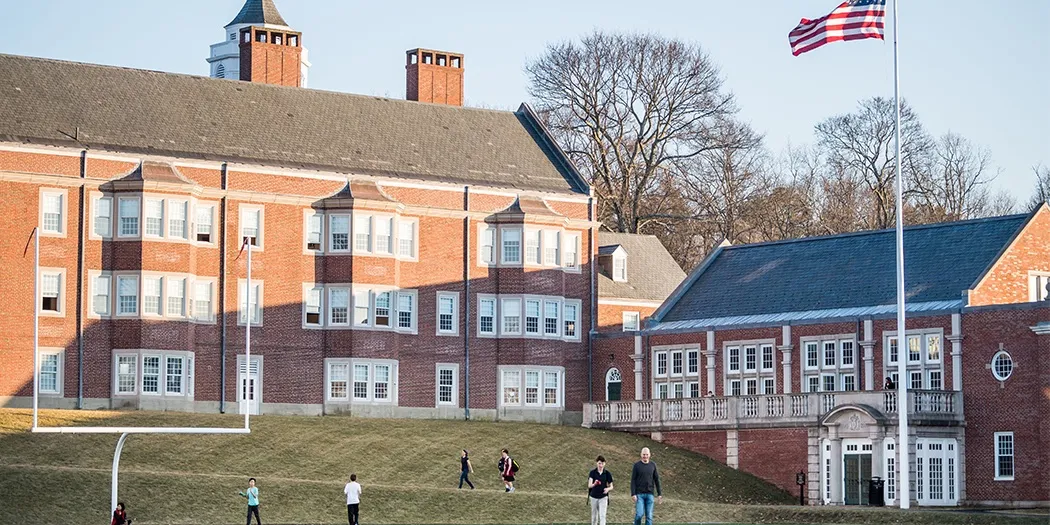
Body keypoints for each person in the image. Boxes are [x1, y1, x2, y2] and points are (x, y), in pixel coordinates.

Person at [630, 447, 661, 525]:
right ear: (641, 455)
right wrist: (633, 493)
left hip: (650, 494)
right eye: (644, 454)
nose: (645, 456)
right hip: (639, 494)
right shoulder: (637, 465)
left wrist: (659, 494)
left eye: (647, 454)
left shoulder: (653, 465)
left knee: (649, 517)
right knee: (639, 515)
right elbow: (633, 480)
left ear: (649, 455)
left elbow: (656, 480)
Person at [587, 455, 614, 525]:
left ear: (604, 464)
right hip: (593, 497)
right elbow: (589, 485)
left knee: (602, 516)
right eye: (599, 463)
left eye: (602, 463)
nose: (600, 465)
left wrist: (608, 489)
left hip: (603, 497)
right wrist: (594, 484)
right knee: (594, 517)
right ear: (597, 463)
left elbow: (611, 486)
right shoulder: (592, 473)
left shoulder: (607, 473)